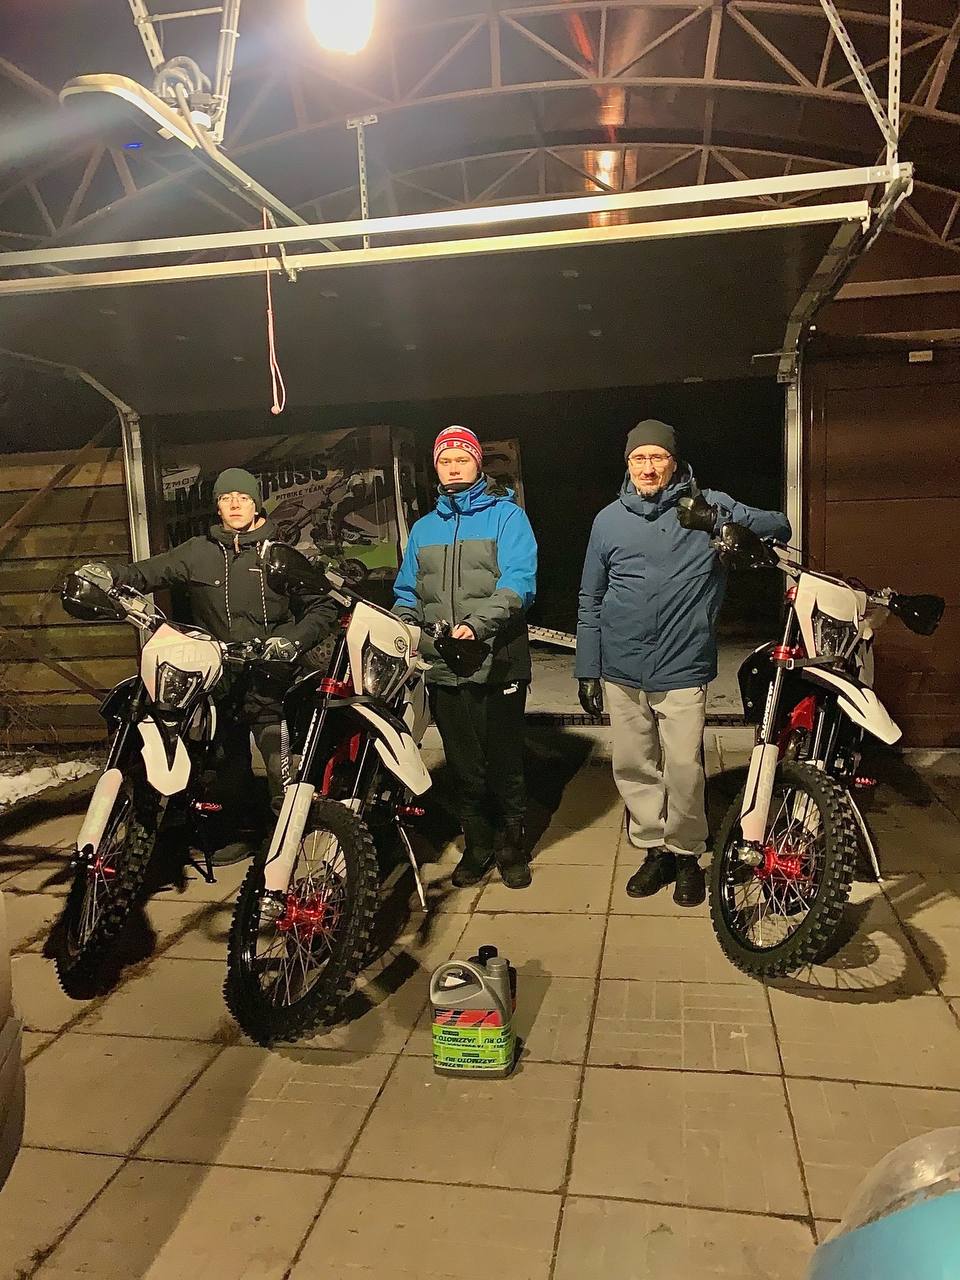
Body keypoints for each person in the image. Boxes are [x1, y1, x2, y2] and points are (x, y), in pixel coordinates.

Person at [576, 420, 790, 906]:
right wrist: (588, 667)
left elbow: (780, 526)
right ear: (627, 464)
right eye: (639, 458)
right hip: (621, 666)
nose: (648, 468)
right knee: (633, 765)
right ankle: (654, 849)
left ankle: (687, 852)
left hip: (683, 663)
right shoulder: (608, 521)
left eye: (657, 457)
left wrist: (715, 519)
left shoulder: (707, 505)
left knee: (685, 769)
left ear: (674, 463)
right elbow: (590, 597)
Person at [78, 467, 338, 861]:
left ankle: (286, 844)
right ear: (217, 506)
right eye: (226, 498)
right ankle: (230, 831)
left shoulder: (280, 554)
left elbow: (321, 606)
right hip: (219, 678)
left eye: (243, 498)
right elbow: (146, 572)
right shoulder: (198, 552)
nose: (235, 505)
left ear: (256, 504)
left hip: (271, 676)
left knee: (279, 764)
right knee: (224, 762)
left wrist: (293, 641)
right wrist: (108, 573)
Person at [394, 426, 538, 889]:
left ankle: (511, 846)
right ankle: (477, 844)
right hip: (443, 665)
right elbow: (407, 592)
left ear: (478, 464)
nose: (453, 467)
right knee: (462, 764)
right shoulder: (424, 529)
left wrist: (477, 625)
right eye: (445, 460)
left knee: (503, 762)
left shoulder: (507, 517)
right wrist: (402, 625)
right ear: (436, 468)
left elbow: (519, 582)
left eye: (462, 458)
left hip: (498, 661)